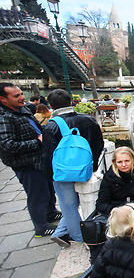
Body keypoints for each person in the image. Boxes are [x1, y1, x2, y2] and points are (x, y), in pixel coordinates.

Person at [42, 89, 104, 247]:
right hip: (87, 169)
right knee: (89, 202)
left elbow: (48, 155)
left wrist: (49, 176)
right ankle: (66, 232)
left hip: (64, 174)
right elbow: (99, 144)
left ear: (50, 105)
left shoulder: (51, 127)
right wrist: (94, 164)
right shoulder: (89, 119)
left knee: (68, 206)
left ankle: (79, 237)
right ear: (71, 102)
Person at [0, 83, 60, 238]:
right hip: (26, 163)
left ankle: (50, 213)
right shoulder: (4, 118)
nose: (22, 98)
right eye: (16, 96)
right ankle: (41, 227)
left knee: (47, 189)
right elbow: (7, 145)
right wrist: (38, 142)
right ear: (3, 99)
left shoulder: (22, 109)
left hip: (41, 158)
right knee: (36, 194)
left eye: (21, 94)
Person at [96, 147, 134, 216]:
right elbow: (101, 203)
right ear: (115, 163)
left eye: (127, 161)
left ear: (133, 160)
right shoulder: (109, 177)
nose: (124, 165)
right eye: (119, 162)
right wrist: (113, 210)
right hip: (118, 215)